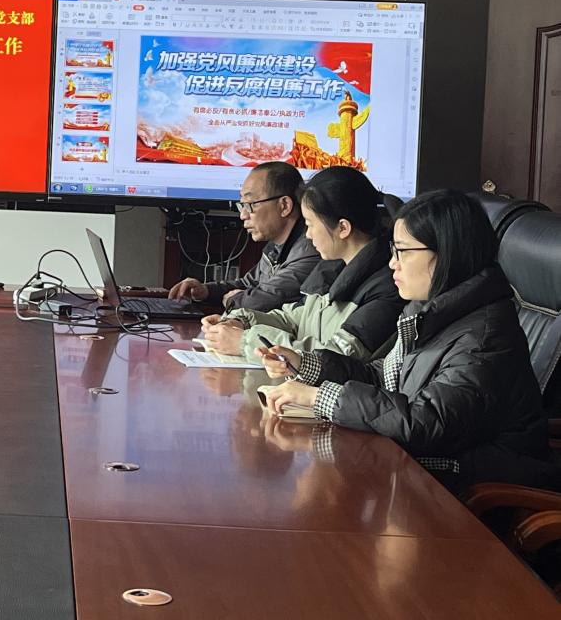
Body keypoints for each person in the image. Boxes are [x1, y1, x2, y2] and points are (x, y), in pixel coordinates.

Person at [260, 189, 556, 491]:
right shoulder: (434, 310)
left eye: (402, 251)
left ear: (447, 254)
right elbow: (385, 378)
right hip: (417, 475)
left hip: (467, 495)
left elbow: (424, 423)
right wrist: (307, 365)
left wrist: (319, 398)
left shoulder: (485, 339)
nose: (392, 263)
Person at [201, 166, 402, 362]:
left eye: (310, 224)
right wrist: (242, 322)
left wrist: (245, 341)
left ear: (343, 228)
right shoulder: (332, 267)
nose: (308, 235)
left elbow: (336, 357)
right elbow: (292, 319)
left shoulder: (387, 288)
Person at [169, 161, 319, 312]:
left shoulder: (311, 249)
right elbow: (250, 284)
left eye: (250, 204)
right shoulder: (276, 245)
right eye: (242, 205)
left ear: (284, 205)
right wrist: (206, 290)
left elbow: (264, 300)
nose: (243, 215)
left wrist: (232, 300)